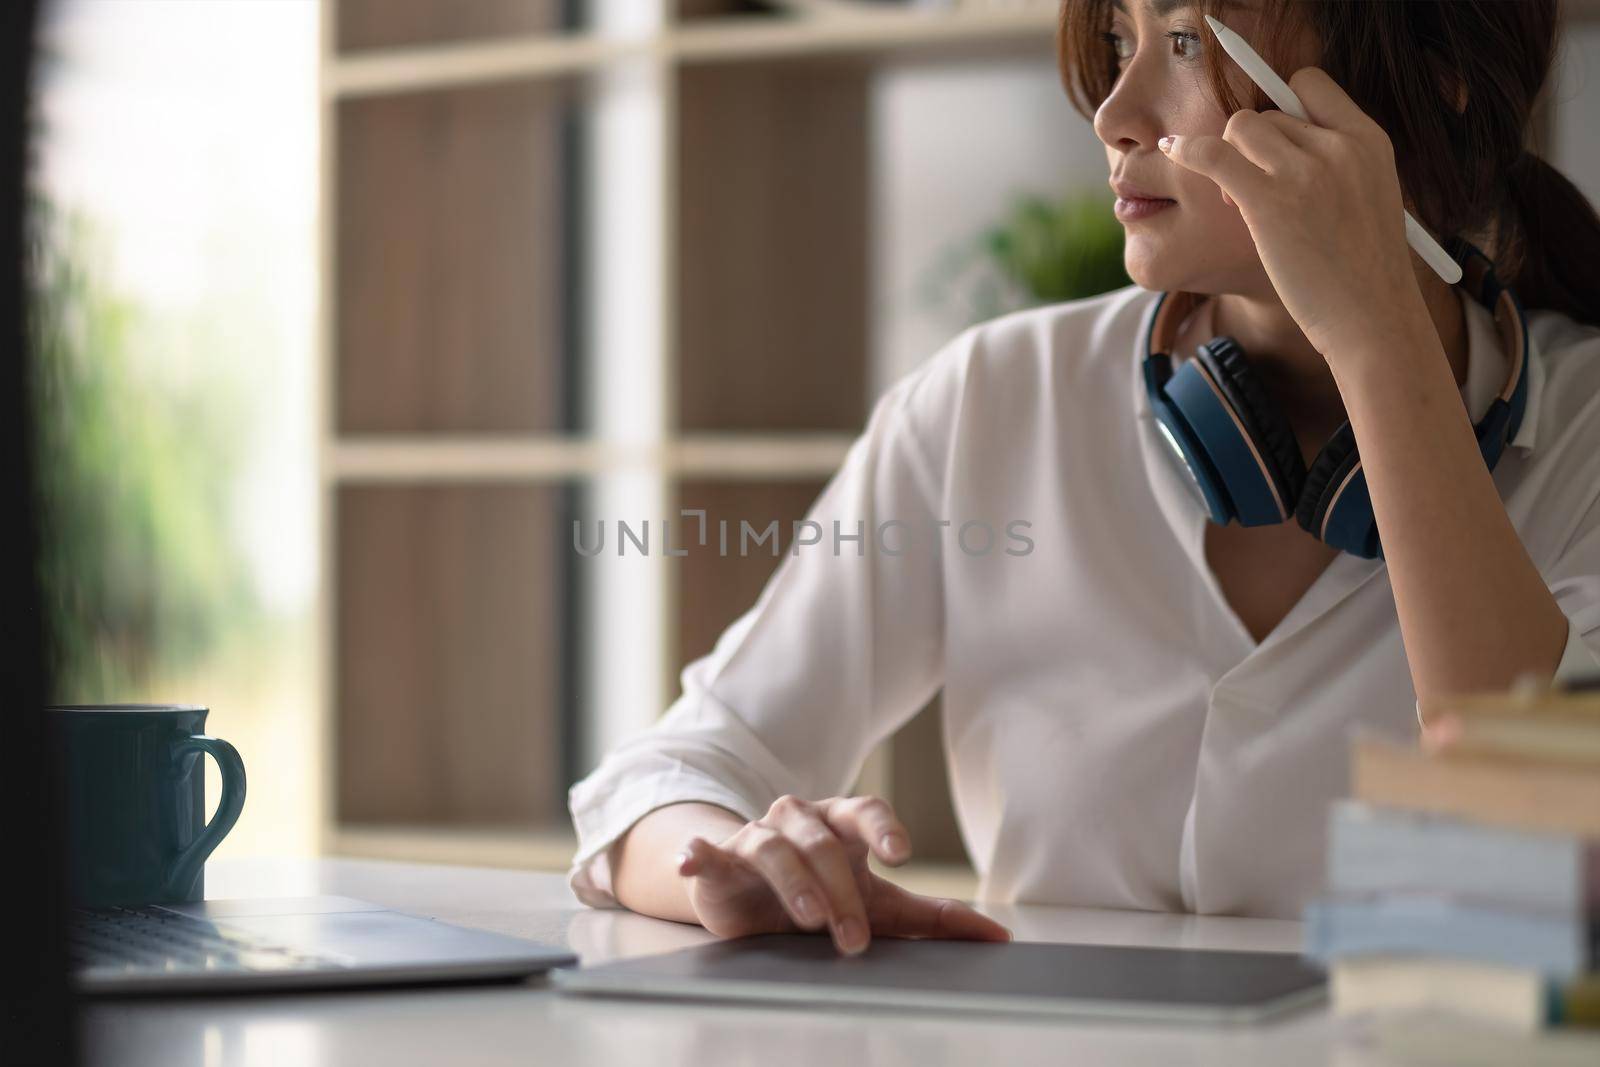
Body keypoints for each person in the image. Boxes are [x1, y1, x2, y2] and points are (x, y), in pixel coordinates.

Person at [567, 0, 1600, 957]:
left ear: (1434, 74)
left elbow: (1551, 855)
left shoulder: (1584, 428)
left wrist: (1376, 337)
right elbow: (668, 774)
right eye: (1117, 39)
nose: (1114, 111)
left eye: (1188, 41)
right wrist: (731, 869)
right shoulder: (993, 397)